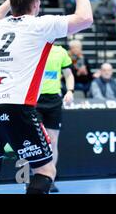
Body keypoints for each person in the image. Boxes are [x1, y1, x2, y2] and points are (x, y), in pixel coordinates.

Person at [0, 0, 93, 195]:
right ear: (36, 4)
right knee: (46, 170)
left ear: (13, 4)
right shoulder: (40, 25)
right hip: (17, 107)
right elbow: (85, 18)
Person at [35, 45, 75, 193]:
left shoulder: (60, 51)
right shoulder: (34, 46)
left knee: (53, 141)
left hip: (53, 101)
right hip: (34, 100)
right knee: (35, 141)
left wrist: (70, 91)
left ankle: (49, 180)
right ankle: (34, 178)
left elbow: (68, 74)